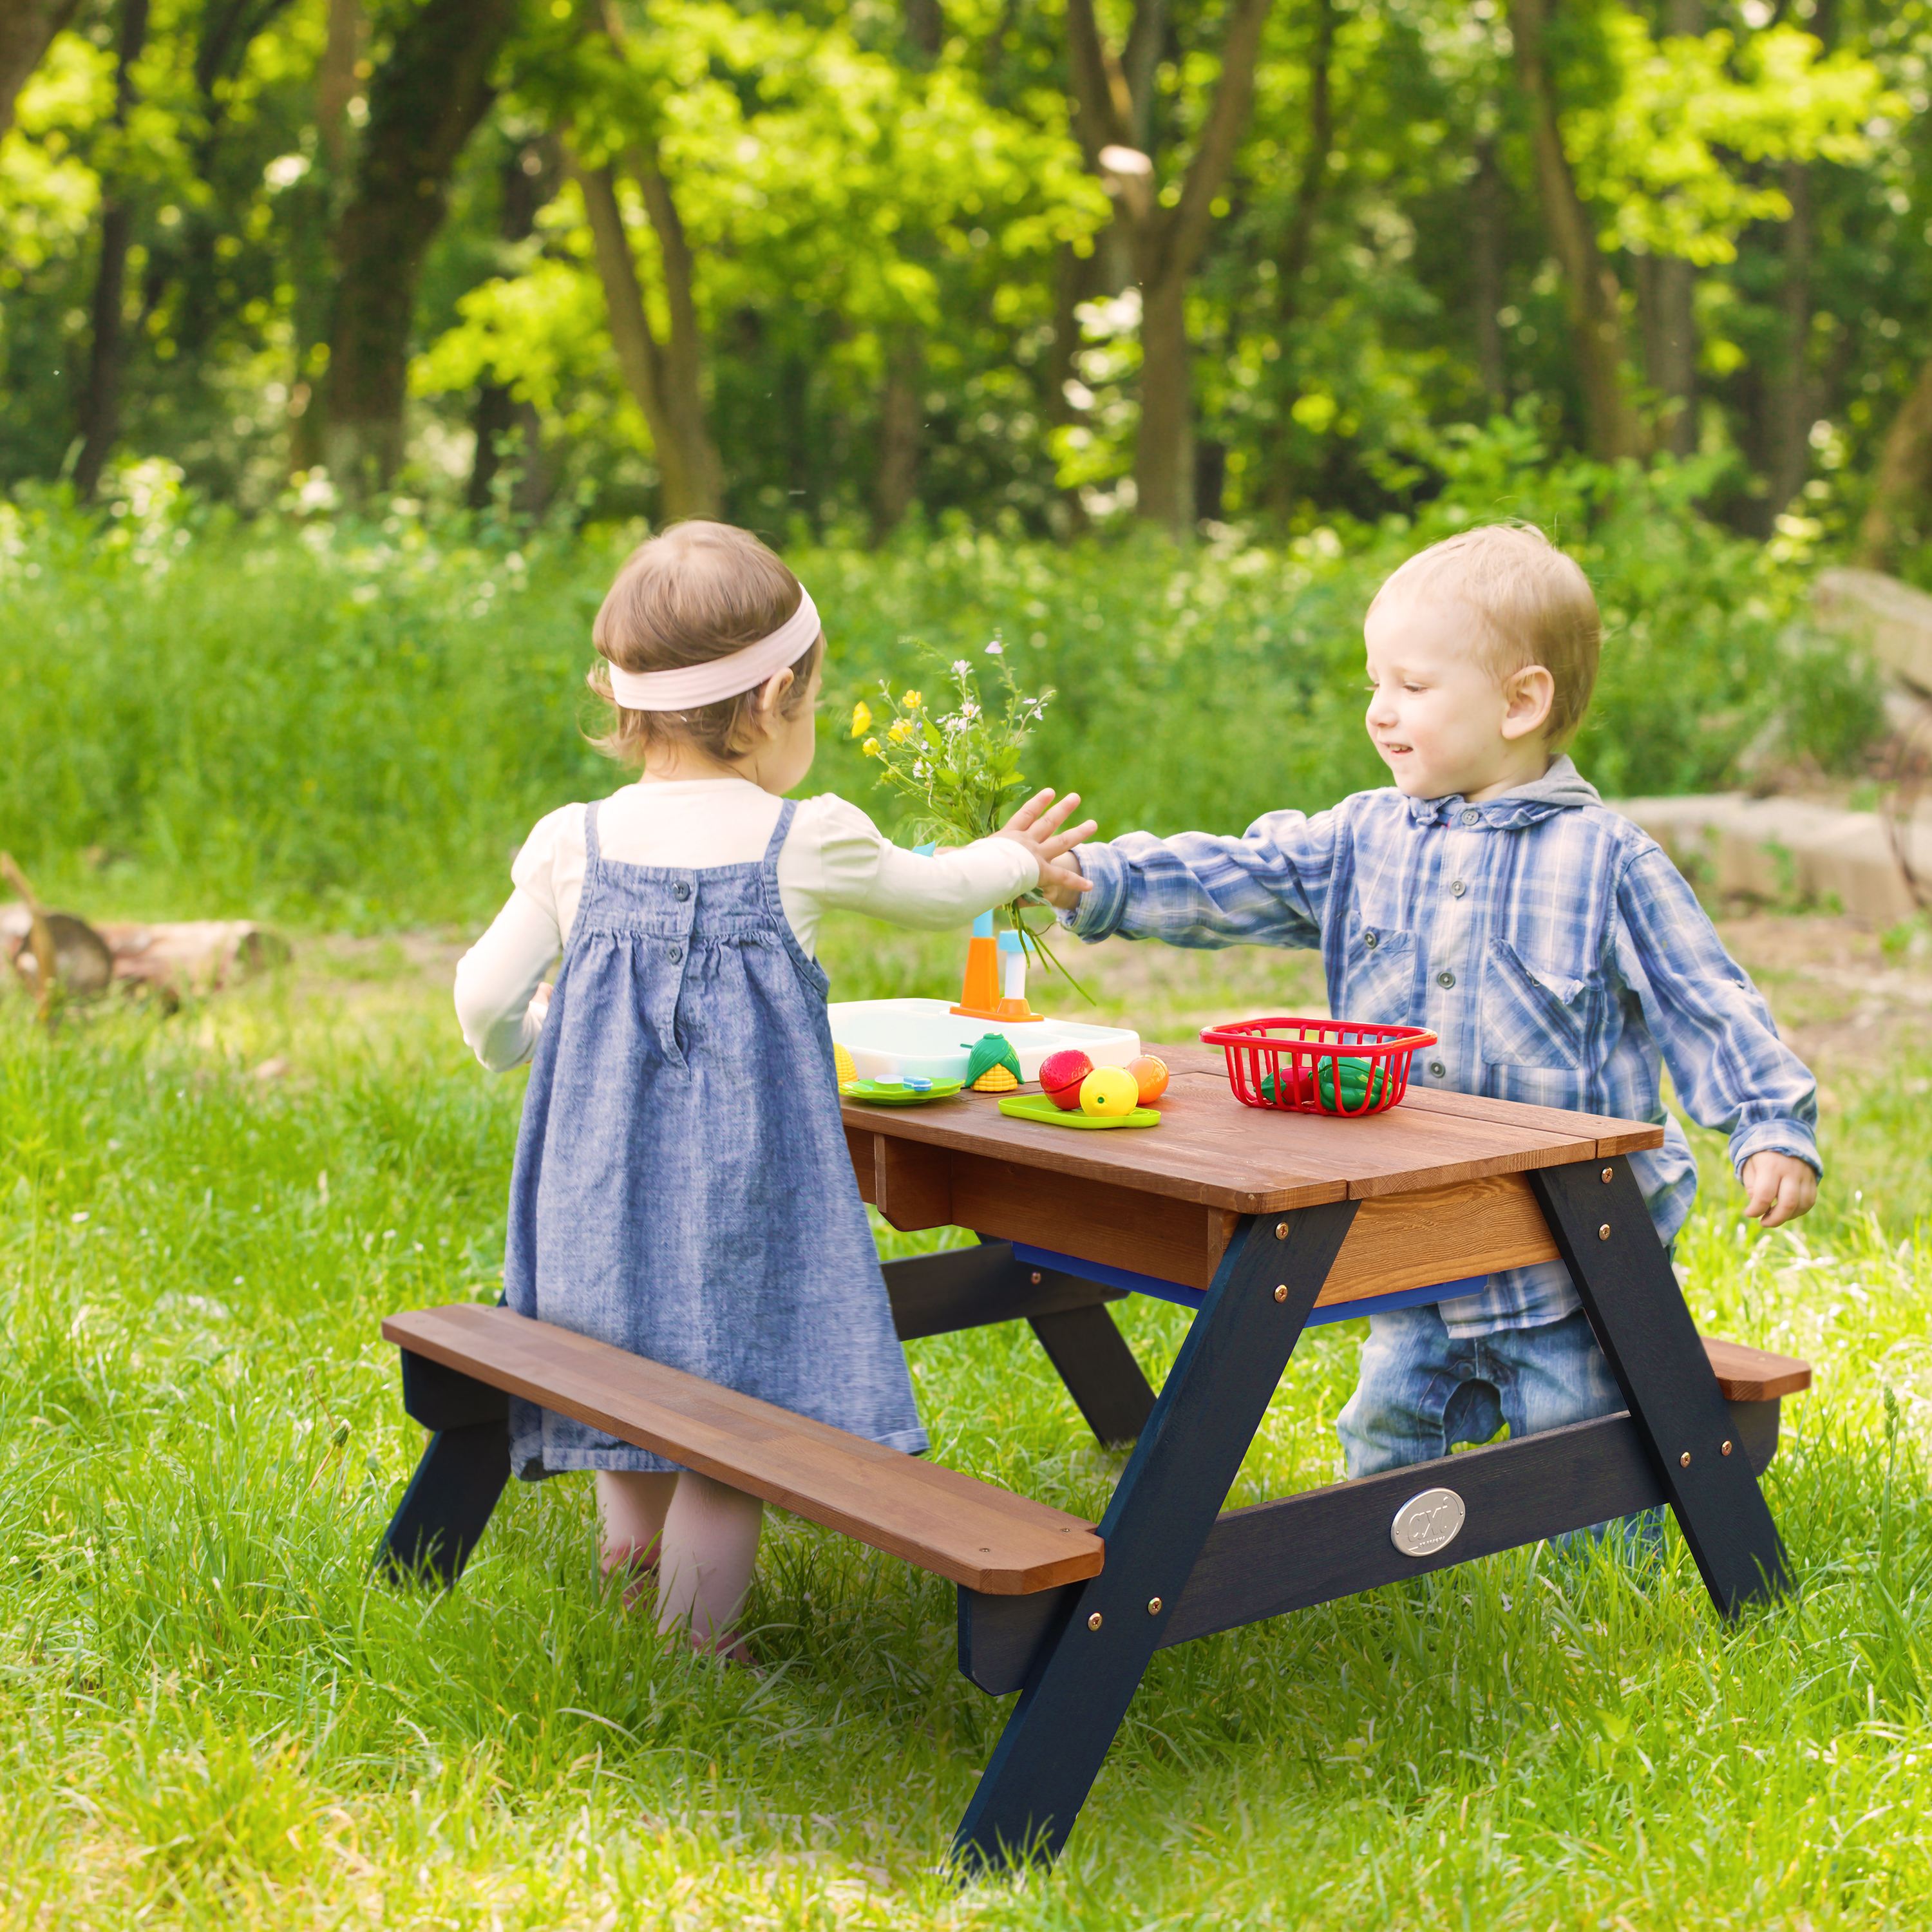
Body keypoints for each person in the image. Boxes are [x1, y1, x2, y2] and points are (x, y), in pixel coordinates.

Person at [1038, 522, 1819, 1500]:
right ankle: (1387, 1586)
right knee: (1387, 1429)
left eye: (1411, 686)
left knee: (1573, 1460)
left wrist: (1770, 1125)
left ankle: (1590, 1607)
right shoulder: (1365, 836)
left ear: (1521, 701)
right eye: (1374, 684)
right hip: (1408, 1237)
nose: (1379, 711)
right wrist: (1090, 880)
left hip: (1568, 1256)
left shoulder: (1606, 861)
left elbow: (1704, 1001)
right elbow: (1243, 871)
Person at [454, 520, 1094, 1659]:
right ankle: (696, 1648)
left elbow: (481, 993)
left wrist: (529, 1038)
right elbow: (941, 892)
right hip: (745, 1194)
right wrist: (1016, 858)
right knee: (731, 1413)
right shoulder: (807, 838)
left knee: (622, 1361)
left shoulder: (573, 840)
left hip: (592, 1182)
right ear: (777, 697)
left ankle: (631, 1559)